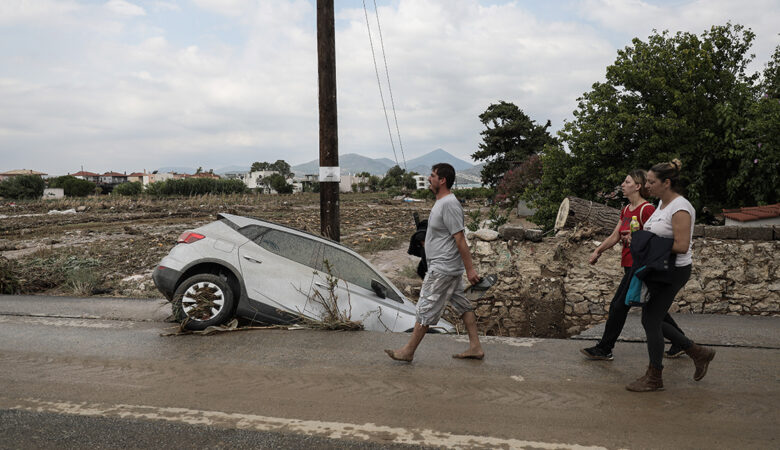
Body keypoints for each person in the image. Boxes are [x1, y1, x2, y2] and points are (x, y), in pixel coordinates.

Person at [624, 159, 715, 392]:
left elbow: (682, 245)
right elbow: (658, 235)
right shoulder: (661, 204)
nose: (647, 186)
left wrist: (646, 243)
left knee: (650, 320)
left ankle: (655, 376)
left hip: (674, 271)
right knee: (653, 318)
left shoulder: (680, 207)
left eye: (652, 182)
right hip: (659, 268)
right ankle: (698, 352)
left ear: (667, 183)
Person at [581, 170, 687, 361]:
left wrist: (637, 240)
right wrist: (598, 251)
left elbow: (655, 236)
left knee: (618, 305)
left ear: (637, 186)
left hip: (640, 266)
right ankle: (681, 342)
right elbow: (615, 235)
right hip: (629, 264)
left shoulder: (646, 209)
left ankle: (605, 348)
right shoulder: (626, 209)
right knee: (653, 308)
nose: (622, 184)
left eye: (627, 181)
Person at [385, 163, 484, 362]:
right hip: (446, 267)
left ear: (442, 180)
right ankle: (476, 347)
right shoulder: (441, 202)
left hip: (442, 269)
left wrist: (470, 270)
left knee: (425, 308)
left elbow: (460, 239)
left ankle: (408, 351)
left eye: (432, 176)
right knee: (462, 305)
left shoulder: (449, 203)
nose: (429, 179)